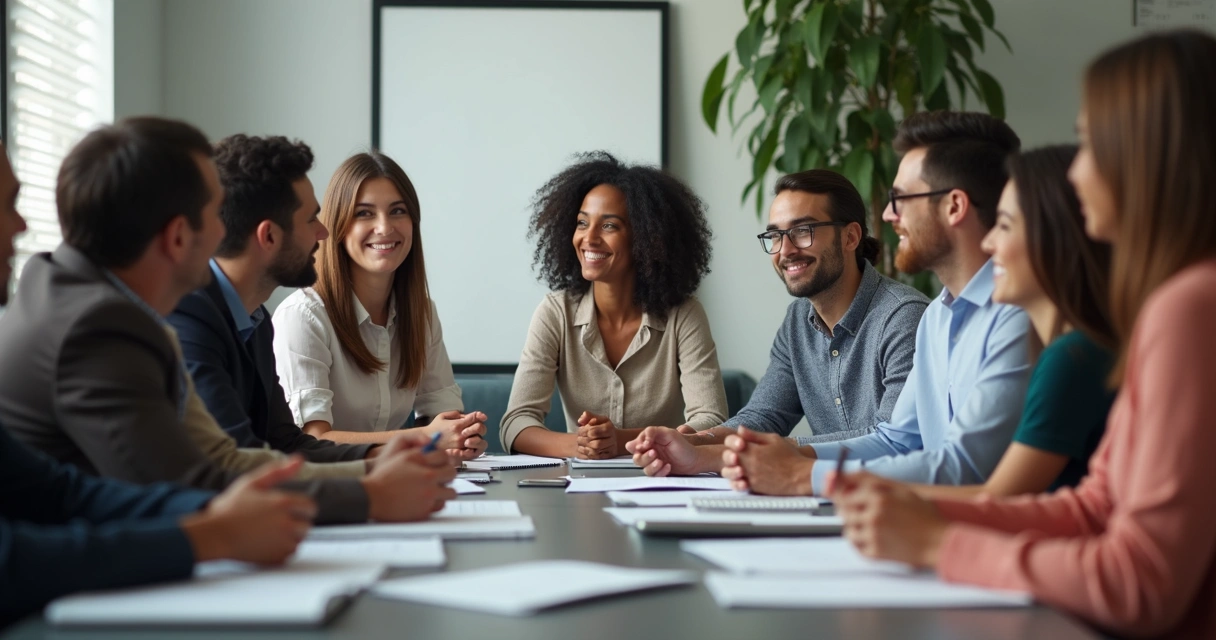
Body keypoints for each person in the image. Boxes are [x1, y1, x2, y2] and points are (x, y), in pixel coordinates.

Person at [835, 30, 1216, 638]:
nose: (1076, 170)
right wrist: (920, 513)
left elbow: (1140, 583)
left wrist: (938, 543)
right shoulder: (1168, 304)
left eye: (1091, 143)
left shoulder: (1190, 306)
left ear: (1150, 154)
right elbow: (1095, 506)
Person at [0, 118, 455, 526]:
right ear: (180, 235)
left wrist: (376, 464)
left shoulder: (235, 317)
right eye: (214, 215)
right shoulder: (105, 326)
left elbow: (249, 451)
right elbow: (198, 480)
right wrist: (370, 492)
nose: (225, 231)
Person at [0, 139, 316, 625]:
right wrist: (214, 533)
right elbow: (12, 561)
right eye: (7, 204)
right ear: (177, 236)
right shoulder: (102, 324)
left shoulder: (112, 312)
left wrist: (221, 516)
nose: (22, 225)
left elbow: (63, 493)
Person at [721, 111, 1029, 496]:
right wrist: (787, 456)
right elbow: (896, 440)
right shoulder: (938, 317)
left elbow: (965, 467)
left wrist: (801, 475)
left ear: (954, 206)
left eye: (901, 199)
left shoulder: (1016, 318)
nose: (887, 215)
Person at [168, 135, 486, 461]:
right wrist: (419, 443)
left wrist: (438, 443)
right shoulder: (194, 322)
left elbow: (286, 445)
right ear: (269, 236)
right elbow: (240, 463)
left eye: (398, 211)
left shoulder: (254, 321)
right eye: (311, 219)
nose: (323, 232)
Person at [626, 169, 928, 474]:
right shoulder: (797, 320)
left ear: (850, 237)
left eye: (803, 231)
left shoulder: (904, 317)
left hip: (894, 496)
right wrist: (696, 441)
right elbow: (763, 416)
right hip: (825, 493)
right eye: (775, 236)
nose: (785, 250)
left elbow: (894, 440)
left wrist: (765, 452)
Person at [892, 145, 1115, 499]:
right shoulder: (1066, 349)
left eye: (1005, 225)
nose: (989, 241)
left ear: (1053, 239)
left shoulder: (1072, 357)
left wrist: (862, 491)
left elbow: (995, 499)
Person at [498, 152, 728, 458]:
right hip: (579, 481)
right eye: (582, 223)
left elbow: (712, 423)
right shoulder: (555, 313)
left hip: (661, 478)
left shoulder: (684, 315)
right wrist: (581, 445)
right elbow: (515, 423)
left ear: (646, 238)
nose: (589, 238)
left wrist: (622, 441)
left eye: (609, 226)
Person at [273, 151, 485, 457]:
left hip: (397, 478)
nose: (385, 227)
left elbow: (443, 418)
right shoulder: (303, 316)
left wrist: (460, 438)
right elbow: (314, 440)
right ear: (338, 225)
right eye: (364, 213)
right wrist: (424, 439)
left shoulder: (422, 313)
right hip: (328, 483)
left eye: (398, 211)